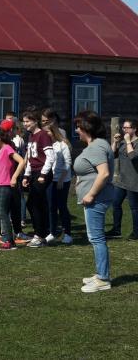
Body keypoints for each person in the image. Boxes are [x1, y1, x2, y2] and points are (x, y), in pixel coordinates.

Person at [73, 110, 115, 293]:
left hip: (97, 199)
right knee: (95, 237)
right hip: (96, 198)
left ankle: (103, 279)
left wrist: (90, 194)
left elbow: (104, 174)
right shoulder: (97, 145)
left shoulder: (97, 146)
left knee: (97, 238)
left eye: (78, 127)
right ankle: (100, 274)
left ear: (87, 127)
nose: (76, 130)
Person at [21, 109, 56, 248]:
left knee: (34, 203)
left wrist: (43, 174)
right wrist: (26, 175)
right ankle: (42, 232)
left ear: (35, 121)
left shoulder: (43, 135)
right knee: (34, 204)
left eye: (28, 121)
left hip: (43, 173)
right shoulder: (31, 136)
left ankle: (40, 235)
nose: (25, 124)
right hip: (34, 173)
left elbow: (50, 157)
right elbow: (31, 159)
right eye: (24, 122)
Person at [107, 118, 138, 240]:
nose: (124, 130)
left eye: (127, 127)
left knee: (134, 208)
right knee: (115, 204)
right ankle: (116, 230)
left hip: (133, 180)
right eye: (123, 127)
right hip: (121, 180)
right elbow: (111, 154)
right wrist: (115, 142)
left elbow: (133, 157)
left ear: (134, 129)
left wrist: (128, 141)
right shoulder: (123, 142)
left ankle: (136, 233)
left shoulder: (135, 142)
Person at [46, 123, 73, 244]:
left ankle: (67, 233)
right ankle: (52, 232)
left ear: (53, 132)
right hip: (51, 180)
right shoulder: (48, 146)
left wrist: (61, 179)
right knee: (51, 206)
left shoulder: (63, 145)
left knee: (62, 206)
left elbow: (68, 162)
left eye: (48, 132)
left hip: (63, 180)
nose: (46, 134)